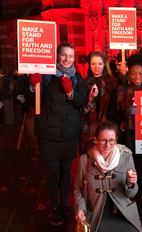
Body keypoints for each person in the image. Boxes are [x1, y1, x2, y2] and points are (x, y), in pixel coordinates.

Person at [31, 42, 87, 225]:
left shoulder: (77, 78)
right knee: (53, 170)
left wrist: (71, 91)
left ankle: (64, 204)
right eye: (63, 55)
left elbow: (81, 102)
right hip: (48, 133)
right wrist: (34, 86)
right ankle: (54, 206)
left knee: (66, 170)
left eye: (70, 56)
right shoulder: (46, 75)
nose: (67, 59)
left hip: (70, 133)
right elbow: (33, 102)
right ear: (57, 56)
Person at [74, 120, 142, 232]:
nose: (107, 145)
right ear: (96, 139)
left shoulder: (126, 157)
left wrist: (130, 184)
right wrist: (80, 209)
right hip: (97, 212)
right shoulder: (84, 160)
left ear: (116, 140)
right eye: (103, 140)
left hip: (123, 211)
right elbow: (78, 187)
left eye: (111, 140)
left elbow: (132, 194)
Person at [106, 53, 142, 218]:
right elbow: (111, 116)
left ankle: (138, 199)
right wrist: (125, 113)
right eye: (133, 73)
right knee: (127, 171)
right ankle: (128, 202)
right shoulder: (120, 90)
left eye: (141, 73)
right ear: (128, 74)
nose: (137, 77)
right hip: (127, 136)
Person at [79, 51, 114, 155]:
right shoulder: (84, 83)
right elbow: (82, 109)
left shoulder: (110, 83)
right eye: (93, 63)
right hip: (89, 126)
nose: (96, 67)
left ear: (104, 64)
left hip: (105, 124)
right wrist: (90, 98)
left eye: (100, 63)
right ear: (89, 65)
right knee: (88, 158)